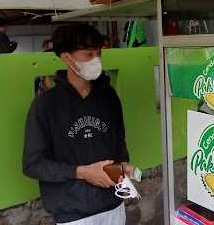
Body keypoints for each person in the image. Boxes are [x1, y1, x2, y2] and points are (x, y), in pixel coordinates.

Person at [23, 24, 134, 224]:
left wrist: (123, 166)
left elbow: (119, 143)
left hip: (113, 205)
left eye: (98, 54)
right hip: (73, 213)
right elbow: (33, 164)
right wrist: (82, 172)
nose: (96, 60)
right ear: (66, 57)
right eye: (88, 54)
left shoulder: (109, 96)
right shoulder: (46, 105)